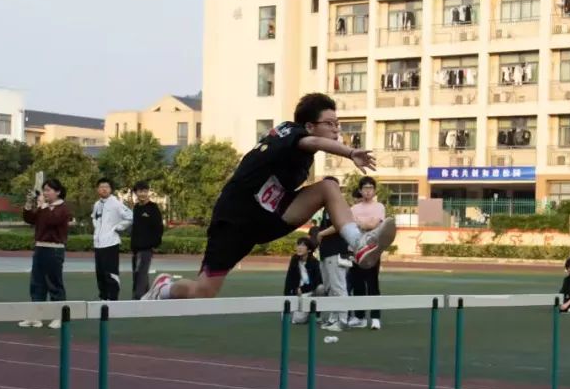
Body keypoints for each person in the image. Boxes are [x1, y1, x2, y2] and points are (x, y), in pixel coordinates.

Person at [144, 93, 396, 301]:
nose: (336, 129)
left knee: (329, 187)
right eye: (329, 124)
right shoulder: (292, 133)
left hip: (270, 216)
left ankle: (358, 244)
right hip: (236, 219)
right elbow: (314, 143)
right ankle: (164, 287)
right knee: (203, 292)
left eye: (337, 124)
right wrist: (350, 152)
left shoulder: (302, 154)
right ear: (309, 126)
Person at [18, 178, 70, 329]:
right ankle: (36, 316)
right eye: (44, 190)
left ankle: (59, 316)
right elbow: (30, 219)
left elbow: (51, 221)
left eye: (48, 190)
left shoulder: (63, 209)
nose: (45, 193)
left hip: (54, 249)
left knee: (54, 283)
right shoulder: (44, 208)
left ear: (57, 192)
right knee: (37, 283)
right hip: (40, 248)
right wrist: (29, 204)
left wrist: (43, 205)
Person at [313, 176, 352, 332]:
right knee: (329, 287)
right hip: (326, 252)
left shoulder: (339, 205)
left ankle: (342, 319)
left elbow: (340, 225)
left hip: (336, 251)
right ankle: (333, 318)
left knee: (338, 286)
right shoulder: (326, 207)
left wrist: (321, 234)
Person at [347, 176, 385, 330]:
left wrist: (361, 223)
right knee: (358, 285)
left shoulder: (379, 207)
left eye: (370, 188)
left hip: (371, 250)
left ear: (374, 191)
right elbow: (351, 227)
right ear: (360, 190)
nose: (368, 191)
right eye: (365, 188)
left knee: (372, 284)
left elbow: (373, 224)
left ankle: (375, 318)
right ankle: (359, 317)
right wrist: (364, 224)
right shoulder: (353, 209)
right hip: (355, 249)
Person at [91, 178, 133, 301]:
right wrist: (96, 228)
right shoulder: (97, 204)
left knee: (110, 273)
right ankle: (103, 298)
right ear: (97, 189)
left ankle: (113, 298)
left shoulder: (115, 203)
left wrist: (118, 227)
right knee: (100, 273)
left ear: (111, 189)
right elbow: (94, 217)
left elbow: (130, 216)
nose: (104, 189)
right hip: (98, 244)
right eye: (101, 187)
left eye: (106, 187)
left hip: (110, 243)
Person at [130, 181, 164, 299]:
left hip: (147, 248)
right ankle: (147, 296)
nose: (143, 194)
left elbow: (159, 227)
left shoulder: (153, 208)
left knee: (141, 273)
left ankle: (138, 298)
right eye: (140, 191)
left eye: (145, 191)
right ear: (136, 193)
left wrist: (155, 244)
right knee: (137, 273)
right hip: (136, 248)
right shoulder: (136, 208)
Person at [284, 236, 325, 323]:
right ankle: (305, 311)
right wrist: (288, 296)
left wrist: (302, 289)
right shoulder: (294, 260)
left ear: (309, 250)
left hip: (310, 291)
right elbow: (289, 279)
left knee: (321, 288)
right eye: (298, 245)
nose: (299, 247)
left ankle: (316, 314)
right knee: (287, 318)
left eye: (303, 245)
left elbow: (316, 282)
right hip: (297, 292)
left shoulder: (314, 262)